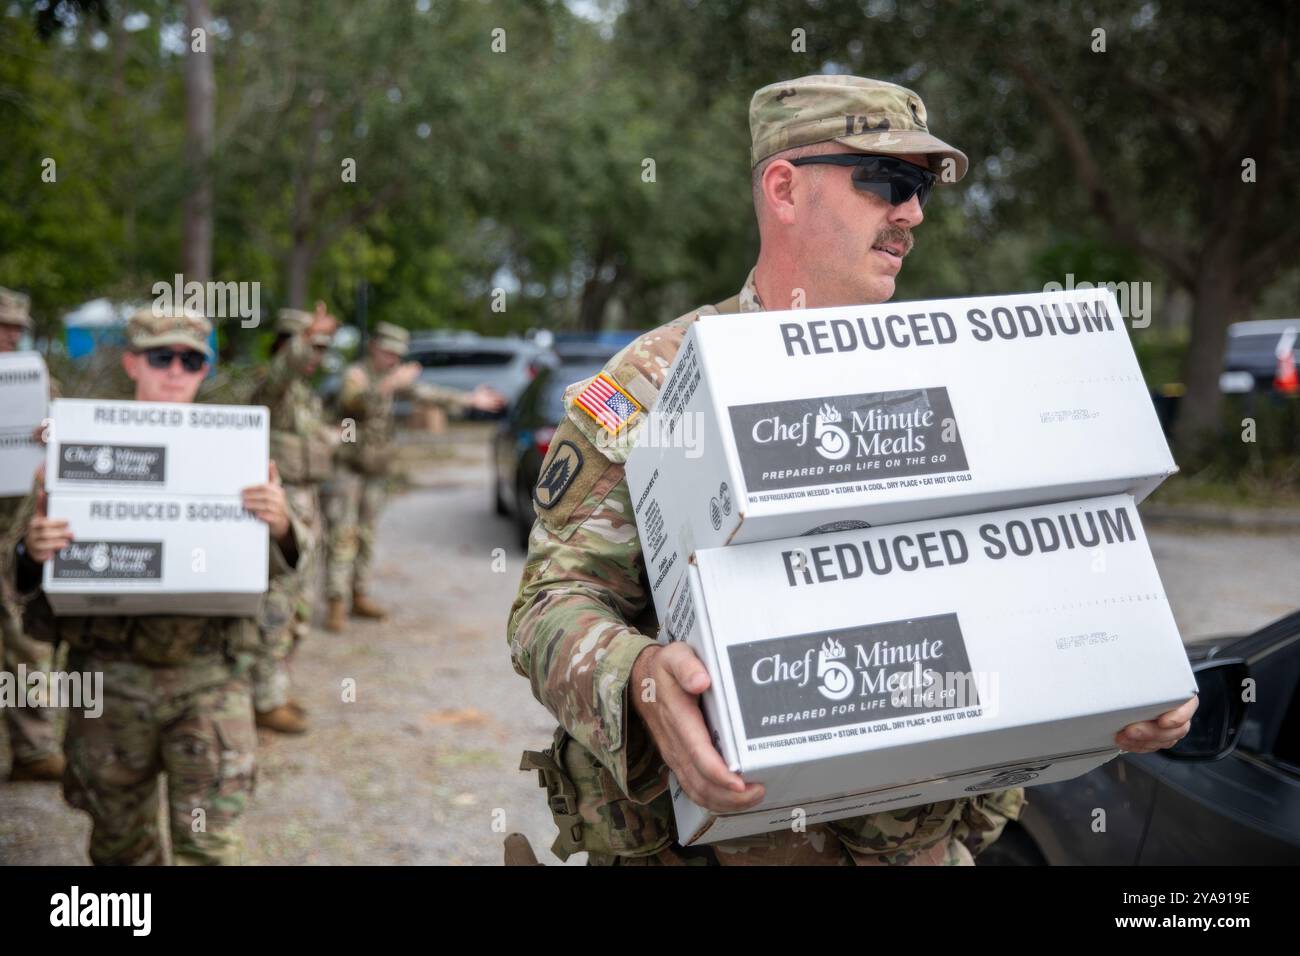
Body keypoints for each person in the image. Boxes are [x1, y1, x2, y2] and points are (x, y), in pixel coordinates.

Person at [507, 74, 1199, 866]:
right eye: (888, 181)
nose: (912, 212)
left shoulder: (964, 376)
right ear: (784, 190)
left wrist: (1118, 679)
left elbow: (1030, 576)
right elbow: (550, 608)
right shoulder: (656, 385)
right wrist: (642, 678)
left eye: (923, 189)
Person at [8, 307, 304, 864]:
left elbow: (287, 565)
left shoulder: (238, 451)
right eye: (160, 357)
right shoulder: (78, 444)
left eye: (191, 360)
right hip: (108, 684)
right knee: (121, 850)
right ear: (131, 363)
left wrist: (282, 523)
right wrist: (33, 548)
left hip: (209, 681)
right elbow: (18, 574)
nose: (175, 370)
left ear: (204, 370)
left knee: (209, 850)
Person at [323, 321, 504, 632]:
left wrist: (470, 400)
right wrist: (390, 385)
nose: (392, 359)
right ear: (374, 348)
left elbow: (428, 394)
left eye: (397, 354)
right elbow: (351, 403)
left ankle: (360, 594)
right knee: (343, 535)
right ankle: (336, 603)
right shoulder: (357, 375)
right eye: (387, 352)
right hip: (348, 467)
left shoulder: (394, 379)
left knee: (366, 534)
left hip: (376, 468)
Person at [247, 304, 338, 734]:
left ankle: (278, 687)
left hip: (306, 503)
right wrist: (304, 341)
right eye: (310, 346)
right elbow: (281, 373)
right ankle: (264, 698)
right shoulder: (275, 385)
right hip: (279, 507)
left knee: (299, 605)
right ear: (287, 344)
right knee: (277, 602)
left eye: (321, 347)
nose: (317, 356)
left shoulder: (304, 393)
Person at [0, 286, 63, 782]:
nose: (10, 336)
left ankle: (34, 748)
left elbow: (69, 441)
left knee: (23, 642)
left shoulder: (38, 382)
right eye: (3, 326)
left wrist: (51, 432)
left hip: (17, 533)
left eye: (17, 328)